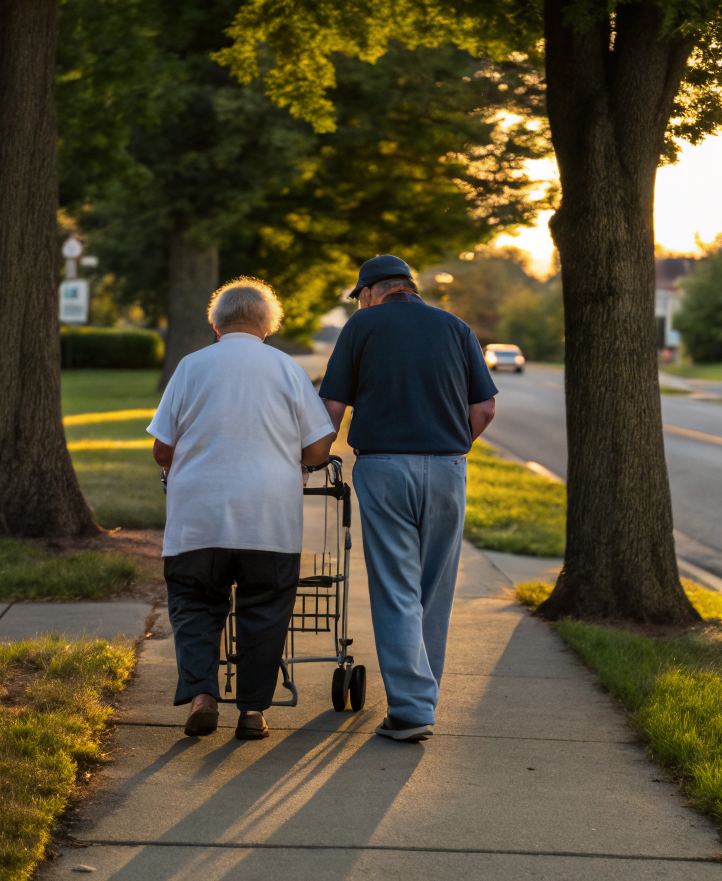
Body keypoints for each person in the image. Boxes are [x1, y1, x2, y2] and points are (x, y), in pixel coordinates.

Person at [148, 277, 336, 740]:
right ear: (267, 326)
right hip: (269, 519)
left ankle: (202, 696)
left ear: (215, 324)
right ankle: (252, 711)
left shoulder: (191, 367)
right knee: (265, 609)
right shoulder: (287, 369)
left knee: (194, 604)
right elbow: (317, 448)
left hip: (198, 518)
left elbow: (162, 449)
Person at [320, 255, 497, 742]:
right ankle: (422, 696)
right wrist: (448, 448)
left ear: (373, 291)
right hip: (448, 466)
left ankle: (413, 709)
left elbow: (331, 407)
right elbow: (484, 408)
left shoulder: (362, 327)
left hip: (383, 468)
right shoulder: (456, 328)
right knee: (433, 589)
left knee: (396, 587)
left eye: (361, 297)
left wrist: (311, 457)